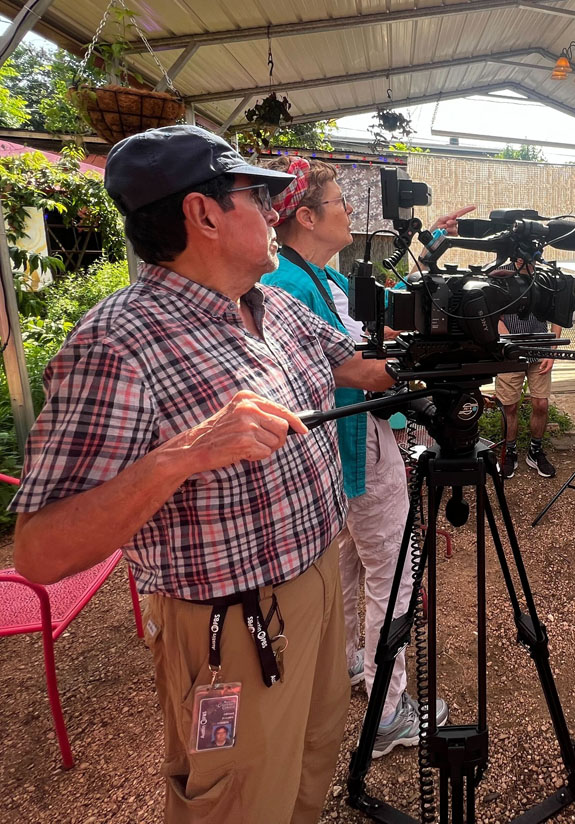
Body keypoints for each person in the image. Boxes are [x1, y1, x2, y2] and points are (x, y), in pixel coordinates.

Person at [10, 125, 396, 824]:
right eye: (258, 196)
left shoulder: (275, 306)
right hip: (233, 627)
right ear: (204, 213)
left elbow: (363, 369)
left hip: (317, 584)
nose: (275, 211)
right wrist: (184, 453)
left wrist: (469, 339)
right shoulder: (117, 344)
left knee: (308, 770)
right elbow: (40, 552)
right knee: (238, 802)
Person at [259, 156, 464, 757]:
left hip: (347, 449)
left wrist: (430, 248)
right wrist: (439, 367)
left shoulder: (318, 276)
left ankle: (354, 661)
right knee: (393, 572)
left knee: (352, 561)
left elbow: (384, 312)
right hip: (355, 443)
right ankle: (388, 710)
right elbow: (354, 366)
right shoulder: (291, 287)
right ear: (306, 217)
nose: (350, 210)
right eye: (340, 202)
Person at [495, 260, 560, 478]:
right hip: (510, 352)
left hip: (540, 349)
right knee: (509, 406)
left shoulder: (546, 277)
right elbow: (492, 314)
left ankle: (535, 451)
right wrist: (509, 343)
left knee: (541, 403)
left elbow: (558, 315)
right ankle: (509, 451)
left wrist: (552, 351)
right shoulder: (500, 274)